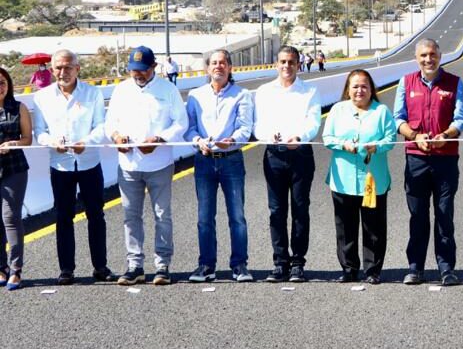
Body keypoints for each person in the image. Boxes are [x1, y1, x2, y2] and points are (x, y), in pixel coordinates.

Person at [105, 45, 187, 286]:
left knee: (162, 215)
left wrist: (159, 139)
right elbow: (109, 122)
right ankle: (135, 265)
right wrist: (117, 137)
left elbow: (180, 123)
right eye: (133, 70)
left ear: (154, 67)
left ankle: (162, 265)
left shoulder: (168, 89)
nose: (137, 74)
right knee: (131, 216)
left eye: (142, 70)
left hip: (159, 164)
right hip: (129, 164)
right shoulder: (121, 90)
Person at [31, 50, 115, 285]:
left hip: (89, 161)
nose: (62, 72)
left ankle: (100, 266)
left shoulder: (92, 93)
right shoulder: (42, 97)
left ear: (78, 68)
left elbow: (101, 126)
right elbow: (40, 132)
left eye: (68, 67)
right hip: (60, 165)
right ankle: (66, 269)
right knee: (64, 216)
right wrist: (52, 142)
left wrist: (86, 142)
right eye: (58, 67)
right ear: (51, 69)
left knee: (96, 215)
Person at [394, 38, 463, 286]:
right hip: (416, 159)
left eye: (433, 54)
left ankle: (446, 268)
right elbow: (398, 119)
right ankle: (415, 267)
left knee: (444, 215)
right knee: (418, 216)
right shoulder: (406, 82)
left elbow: (461, 120)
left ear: (440, 55)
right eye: (423, 55)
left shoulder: (455, 82)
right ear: (417, 58)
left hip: (446, 159)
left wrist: (445, 136)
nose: (428, 59)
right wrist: (415, 136)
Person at [184, 49, 255, 283]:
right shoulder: (195, 96)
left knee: (237, 216)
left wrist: (232, 140)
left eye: (223, 63)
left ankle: (239, 265)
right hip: (204, 161)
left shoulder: (242, 95)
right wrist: (198, 142)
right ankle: (206, 265)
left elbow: (245, 128)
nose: (218, 66)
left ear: (230, 67)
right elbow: (189, 128)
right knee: (205, 217)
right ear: (207, 68)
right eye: (214, 63)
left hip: (231, 161)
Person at [254, 45, 322, 283]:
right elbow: (258, 125)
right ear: (276, 64)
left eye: (291, 62)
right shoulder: (263, 92)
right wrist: (268, 136)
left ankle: (298, 262)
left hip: (301, 155)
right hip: (274, 155)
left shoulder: (310, 90)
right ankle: (279, 261)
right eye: (283, 62)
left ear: (298, 65)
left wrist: (300, 138)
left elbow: (314, 121)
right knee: (276, 211)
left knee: (300, 209)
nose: (287, 66)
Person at [322, 69, 397, 285]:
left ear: (371, 89)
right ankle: (349, 268)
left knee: (373, 226)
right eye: (355, 86)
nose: (359, 90)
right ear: (348, 89)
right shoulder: (338, 110)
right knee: (345, 226)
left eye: (364, 86)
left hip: (373, 179)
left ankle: (372, 270)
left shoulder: (381, 111)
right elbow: (327, 137)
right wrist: (342, 144)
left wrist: (377, 146)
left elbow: (391, 139)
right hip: (343, 179)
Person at [0, 67, 32, 290]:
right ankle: (1, 268)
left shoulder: (19, 107)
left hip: (14, 168)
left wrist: (14, 144)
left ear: (8, 84)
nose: (0, 87)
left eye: (2, 82)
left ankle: (16, 269)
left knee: (10, 217)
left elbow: (28, 139)